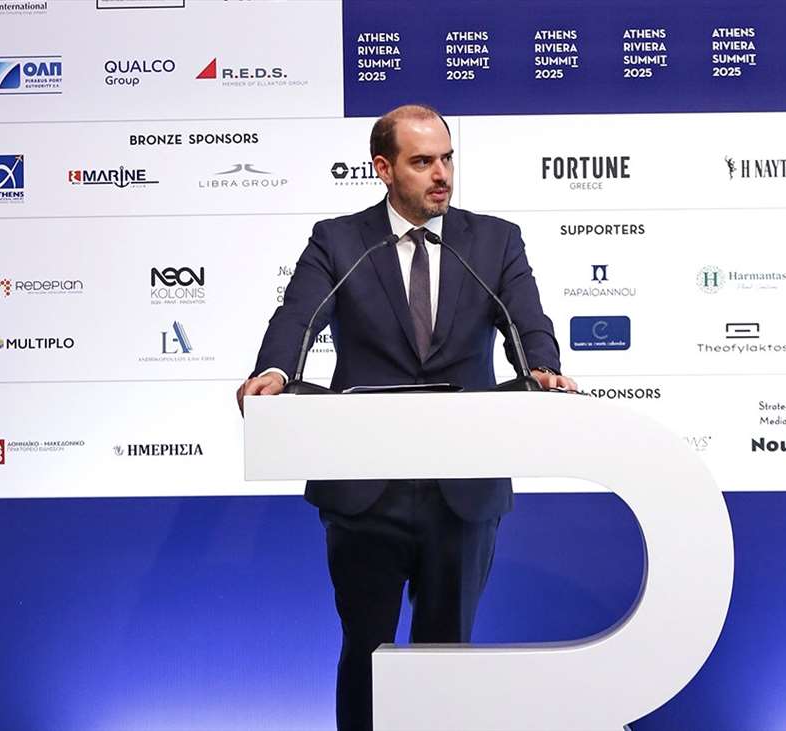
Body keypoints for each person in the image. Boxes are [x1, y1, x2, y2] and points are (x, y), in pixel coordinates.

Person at [236, 104, 577, 730]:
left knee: (446, 660)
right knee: (367, 653)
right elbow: (299, 316)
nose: (441, 174)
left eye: (447, 159)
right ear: (384, 168)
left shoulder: (495, 240)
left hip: (462, 492)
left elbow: (526, 319)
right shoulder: (339, 241)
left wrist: (543, 368)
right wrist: (276, 371)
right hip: (366, 492)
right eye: (422, 162)